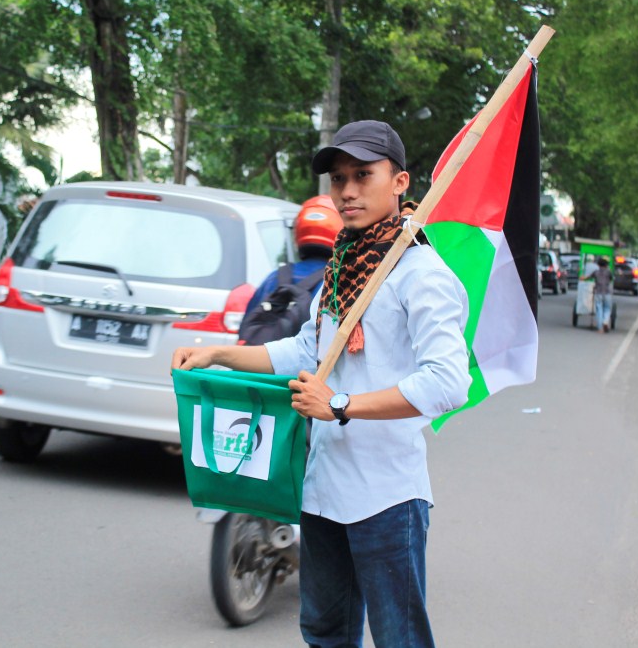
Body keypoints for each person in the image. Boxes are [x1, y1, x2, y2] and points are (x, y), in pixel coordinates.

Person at [173, 119, 471, 648]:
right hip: (323, 492)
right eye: (338, 179)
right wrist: (220, 353)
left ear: (400, 183)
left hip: (387, 496)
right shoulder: (342, 268)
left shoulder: (423, 274)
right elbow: (307, 352)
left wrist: (338, 404)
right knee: (325, 634)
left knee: (400, 638)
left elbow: (448, 383)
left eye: (363, 175)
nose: (348, 191)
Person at [238, 195, 342, 343]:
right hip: (305, 365)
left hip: (261, 362)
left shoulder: (274, 278)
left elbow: (246, 327)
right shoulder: (339, 283)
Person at [585, 257, 614, 332]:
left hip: (598, 292)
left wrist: (583, 278)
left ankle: (600, 327)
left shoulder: (596, 272)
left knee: (599, 309)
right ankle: (605, 322)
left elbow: (588, 277)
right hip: (607, 292)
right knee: (607, 309)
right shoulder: (608, 272)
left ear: (598, 265)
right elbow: (611, 279)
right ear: (606, 265)